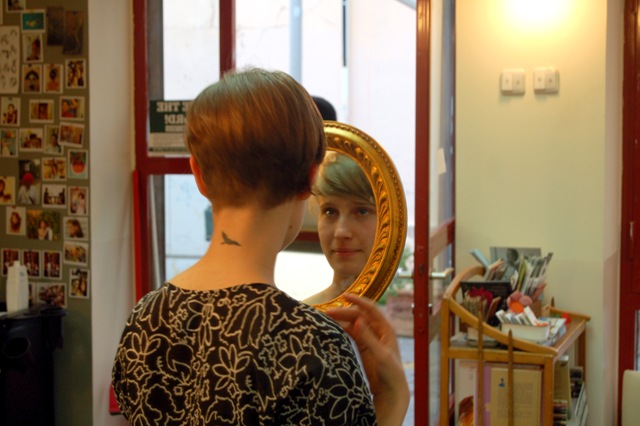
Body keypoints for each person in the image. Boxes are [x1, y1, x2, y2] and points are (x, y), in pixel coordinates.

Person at [112, 67, 409, 425]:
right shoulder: (312, 347)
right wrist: (392, 401)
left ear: (199, 175)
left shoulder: (144, 322)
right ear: (310, 179)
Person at [304, 151, 377, 305]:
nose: (340, 232)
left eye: (362, 211)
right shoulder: (299, 315)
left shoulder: (404, 313)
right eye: (330, 211)